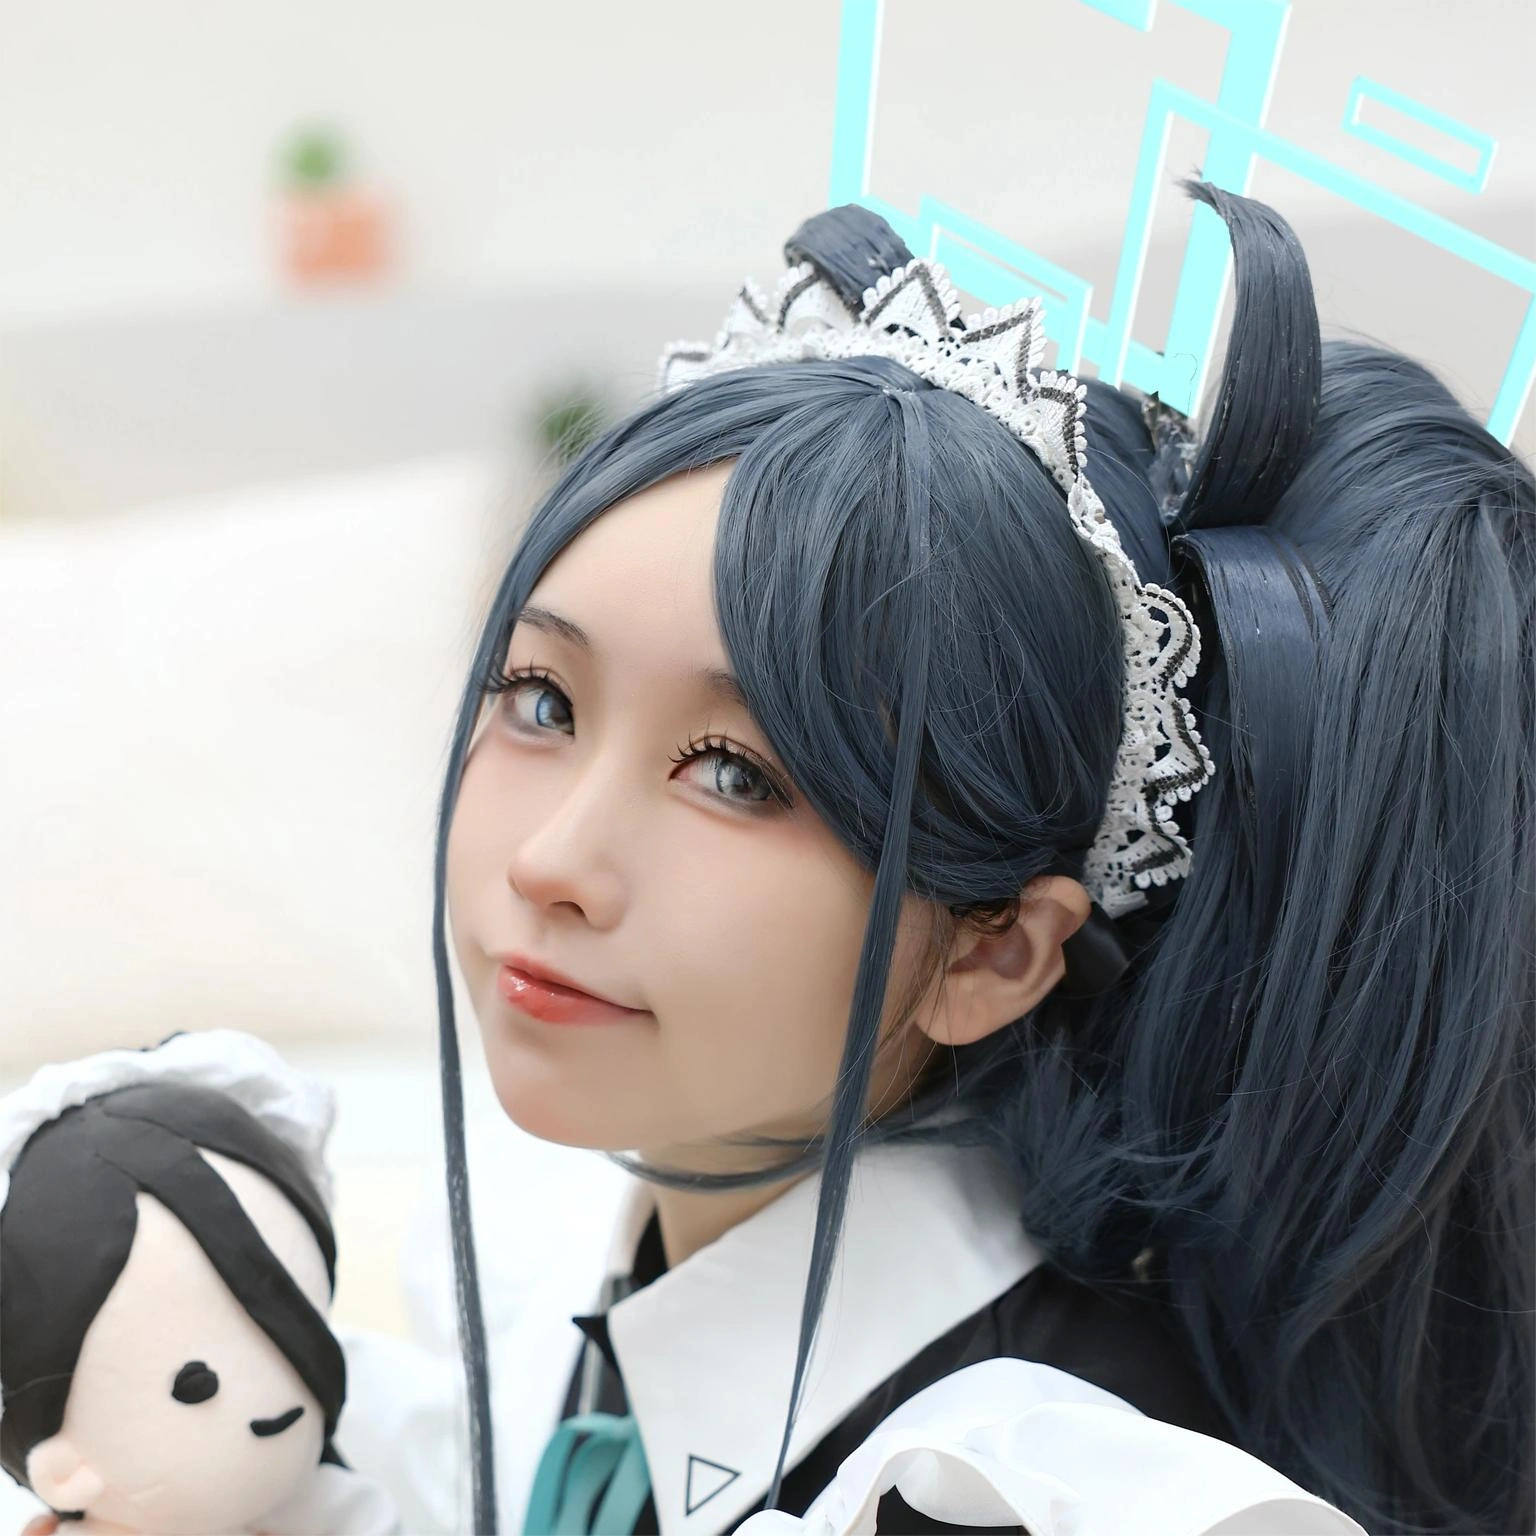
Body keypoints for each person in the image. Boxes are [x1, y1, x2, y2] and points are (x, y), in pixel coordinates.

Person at [24, 177, 1536, 1536]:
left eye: (737, 776)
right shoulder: (579, 1242)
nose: (551, 859)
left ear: (994, 949)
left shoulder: (1014, 1486)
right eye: (542, 698)